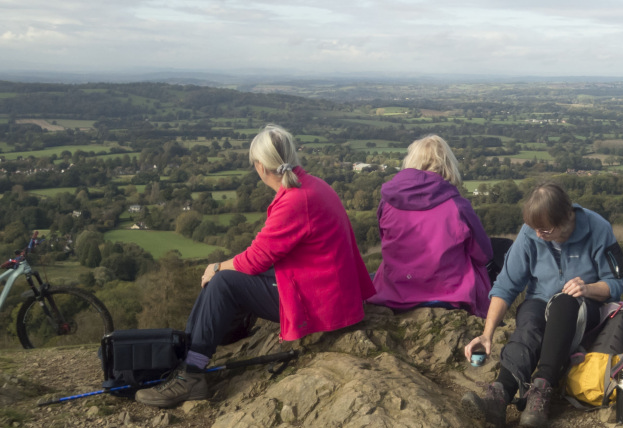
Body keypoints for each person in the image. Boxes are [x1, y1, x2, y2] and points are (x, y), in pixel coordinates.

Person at [136, 125, 376, 407]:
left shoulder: (296, 199)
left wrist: (216, 268)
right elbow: (266, 254)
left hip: (321, 301)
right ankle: (196, 352)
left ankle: (191, 375)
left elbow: (255, 260)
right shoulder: (312, 185)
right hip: (329, 289)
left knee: (223, 282)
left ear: (261, 167)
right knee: (228, 277)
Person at [461, 183, 623, 428]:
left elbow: (617, 280)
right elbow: (506, 285)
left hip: (585, 307)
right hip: (540, 301)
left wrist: (588, 288)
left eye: (545, 230)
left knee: (564, 301)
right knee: (529, 318)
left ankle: (541, 392)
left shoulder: (598, 229)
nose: (538, 235)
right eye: (535, 229)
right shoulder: (530, 233)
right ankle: (498, 397)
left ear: (567, 219)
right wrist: (487, 334)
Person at [367, 134, 493, 318]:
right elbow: (483, 254)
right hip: (448, 294)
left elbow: (386, 241)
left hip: (394, 291)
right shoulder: (457, 205)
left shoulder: (387, 202)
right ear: (447, 164)